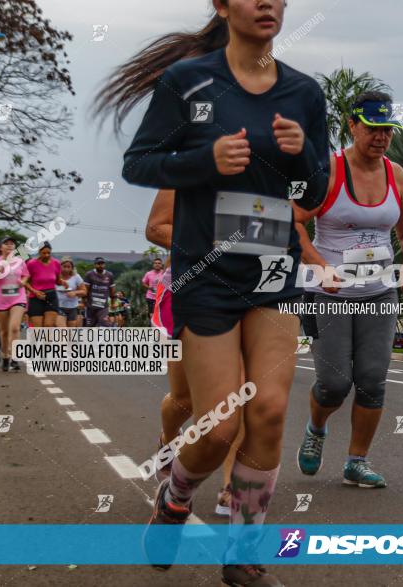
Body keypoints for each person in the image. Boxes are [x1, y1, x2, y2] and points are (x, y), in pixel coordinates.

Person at [110, 0, 330, 583]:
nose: (268, 3)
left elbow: (315, 190)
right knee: (220, 427)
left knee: (272, 411)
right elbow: (140, 164)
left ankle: (245, 548)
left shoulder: (304, 93)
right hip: (205, 275)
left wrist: (302, 153)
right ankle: (176, 496)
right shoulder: (190, 81)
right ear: (222, 4)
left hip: (271, 274)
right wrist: (204, 159)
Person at [294, 91, 403, 489]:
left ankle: (357, 461)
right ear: (352, 125)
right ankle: (316, 429)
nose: (381, 137)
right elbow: (292, 223)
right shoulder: (327, 171)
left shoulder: (396, 174)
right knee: (334, 383)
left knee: (372, 378)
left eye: (387, 130)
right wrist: (320, 267)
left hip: (380, 292)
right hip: (329, 293)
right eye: (372, 128)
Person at [146, 189, 246, 517]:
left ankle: (230, 486)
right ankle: (167, 440)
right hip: (186, 289)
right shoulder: (188, 169)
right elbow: (156, 228)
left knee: (239, 394)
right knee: (184, 400)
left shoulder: (263, 168)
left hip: (242, 292)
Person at [0, 237, 28, 372]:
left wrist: (23, 281)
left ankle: (14, 358)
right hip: (0, 300)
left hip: (18, 298)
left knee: (15, 328)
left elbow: (25, 275)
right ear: (1, 248)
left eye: (12, 243)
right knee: (4, 331)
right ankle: (5, 356)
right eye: (6, 243)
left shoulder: (20, 261)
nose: (10, 245)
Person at [25, 242, 63, 328]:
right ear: (39, 252)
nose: (46, 255)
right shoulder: (31, 264)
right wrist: (34, 291)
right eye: (44, 253)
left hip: (51, 297)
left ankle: (47, 342)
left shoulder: (56, 263)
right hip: (36, 297)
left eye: (48, 253)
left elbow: (58, 281)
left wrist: (63, 282)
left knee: (49, 326)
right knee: (38, 329)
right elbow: (25, 282)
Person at [83, 258, 115, 327]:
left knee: (104, 323)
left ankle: (106, 335)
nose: (100, 265)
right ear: (95, 265)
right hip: (91, 305)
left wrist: (113, 303)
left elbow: (112, 290)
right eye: (98, 264)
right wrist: (83, 302)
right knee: (90, 325)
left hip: (103, 306)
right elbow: (85, 290)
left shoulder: (109, 275)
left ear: (104, 265)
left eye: (102, 264)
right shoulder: (89, 274)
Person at [55, 258, 86, 327]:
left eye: (69, 267)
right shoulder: (55, 276)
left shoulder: (76, 277)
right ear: (60, 267)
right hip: (58, 306)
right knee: (62, 330)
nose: (66, 269)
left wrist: (75, 293)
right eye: (64, 267)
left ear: (72, 268)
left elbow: (84, 291)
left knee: (70, 333)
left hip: (72, 308)